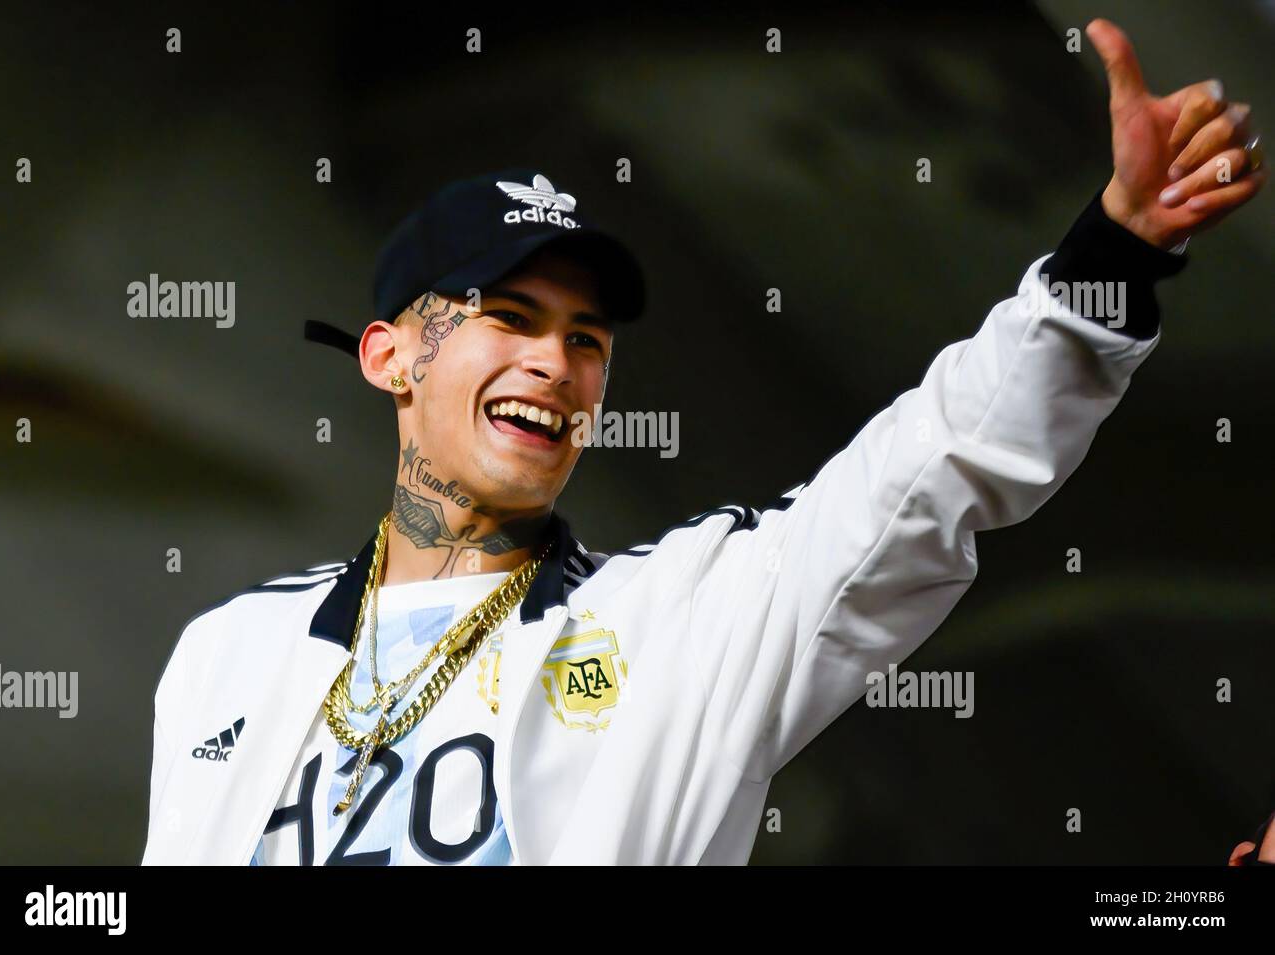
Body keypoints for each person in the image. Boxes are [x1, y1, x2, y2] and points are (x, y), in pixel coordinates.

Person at [141, 19, 1265, 865]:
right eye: (510, 318)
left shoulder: (676, 617)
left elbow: (921, 479)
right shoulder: (228, 654)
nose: (555, 361)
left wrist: (1111, 255)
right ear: (390, 358)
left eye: (586, 337)